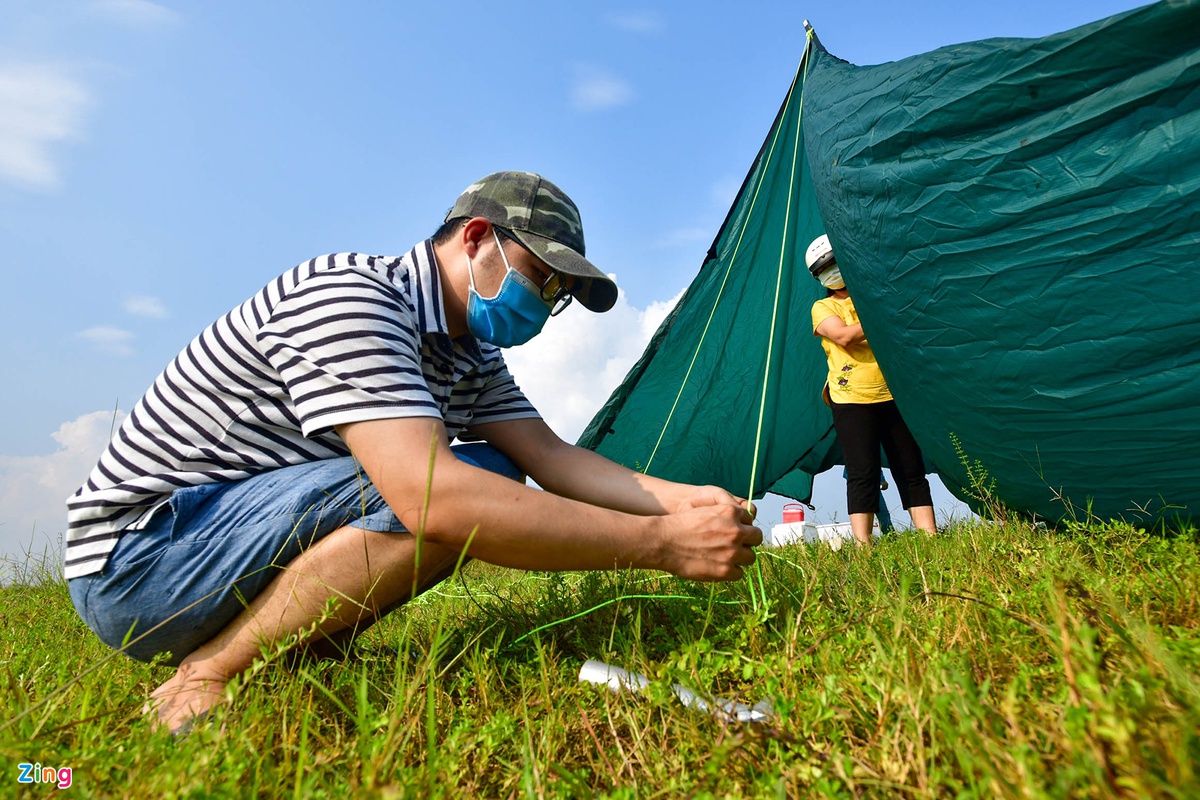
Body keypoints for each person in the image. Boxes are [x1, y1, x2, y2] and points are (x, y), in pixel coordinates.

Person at [65, 171, 761, 733]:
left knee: (490, 472)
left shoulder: (468, 352)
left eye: (559, 295)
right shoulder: (353, 298)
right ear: (478, 237)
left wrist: (684, 501)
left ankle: (301, 645)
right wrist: (664, 544)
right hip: (139, 561)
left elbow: (552, 457)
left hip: (213, 548)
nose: (545, 302)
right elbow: (435, 499)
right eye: (542, 276)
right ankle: (208, 671)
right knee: (455, 489)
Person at [806, 233, 936, 546]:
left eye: (835, 263)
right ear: (818, 276)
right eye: (825, 268)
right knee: (862, 473)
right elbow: (844, 337)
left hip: (893, 393)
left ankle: (930, 537)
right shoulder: (822, 308)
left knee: (910, 468)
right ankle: (864, 546)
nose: (832, 271)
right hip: (851, 400)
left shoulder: (873, 296)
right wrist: (881, 317)